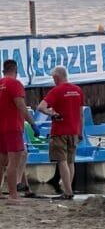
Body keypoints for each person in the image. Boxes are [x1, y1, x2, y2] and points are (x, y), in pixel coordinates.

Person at [36, 66, 84, 199]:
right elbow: (81, 114)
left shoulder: (56, 91)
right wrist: (80, 131)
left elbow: (41, 107)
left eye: (53, 78)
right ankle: (68, 189)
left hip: (60, 131)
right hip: (74, 130)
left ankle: (68, 192)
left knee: (61, 161)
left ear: (57, 77)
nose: (53, 81)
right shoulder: (78, 90)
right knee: (70, 161)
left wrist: (52, 113)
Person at [0, 59, 43, 201]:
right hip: (13, 127)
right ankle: (13, 195)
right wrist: (33, 124)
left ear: (3, 71)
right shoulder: (15, 84)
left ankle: (13, 189)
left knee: (3, 161)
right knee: (14, 161)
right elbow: (21, 107)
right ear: (16, 71)